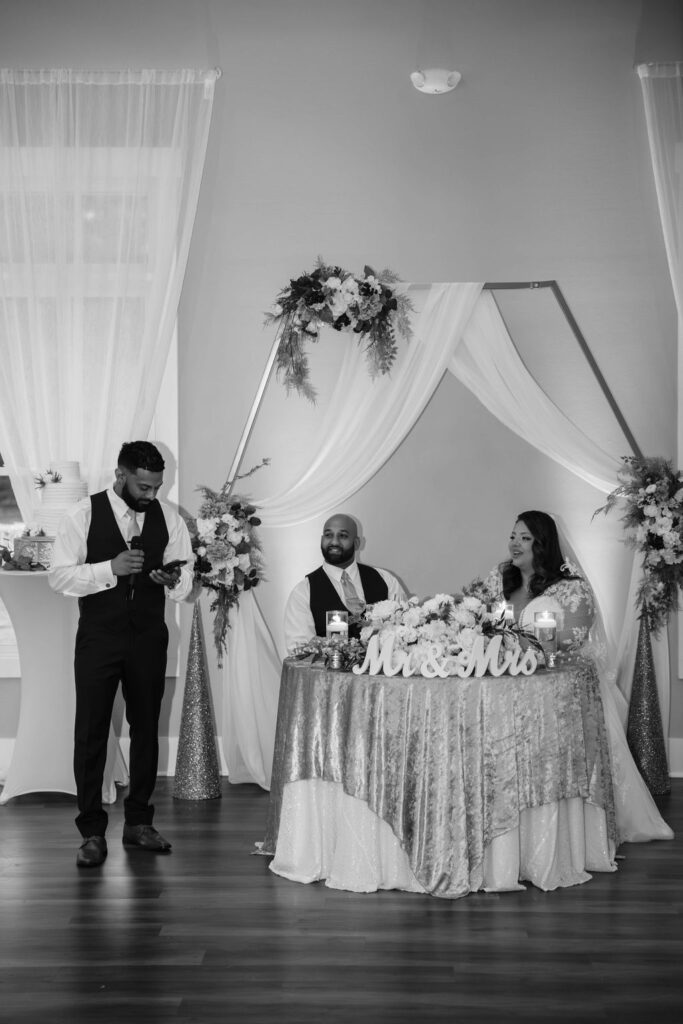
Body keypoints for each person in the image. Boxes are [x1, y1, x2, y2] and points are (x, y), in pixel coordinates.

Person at [476, 509, 673, 845]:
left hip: (556, 688)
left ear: (543, 544)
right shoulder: (499, 578)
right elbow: (479, 619)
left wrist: (515, 640)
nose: (515, 544)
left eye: (525, 538)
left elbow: (572, 639)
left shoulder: (571, 588)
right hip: (501, 682)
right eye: (513, 536)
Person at [49, 441, 194, 867]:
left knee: (146, 727)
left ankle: (139, 823)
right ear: (121, 475)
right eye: (143, 486)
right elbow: (58, 577)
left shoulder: (169, 518)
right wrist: (106, 569)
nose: (151, 495)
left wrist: (172, 579)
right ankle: (92, 831)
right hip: (98, 636)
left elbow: (186, 583)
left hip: (149, 636)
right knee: (91, 730)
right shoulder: (82, 514)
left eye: (156, 487)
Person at [283, 512, 406, 654]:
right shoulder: (304, 591)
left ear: (357, 542)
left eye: (343, 536)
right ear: (322, 539)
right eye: (328, 535)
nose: (334, 542)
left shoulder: (385, 580)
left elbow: (405, 631)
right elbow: (299, 651)